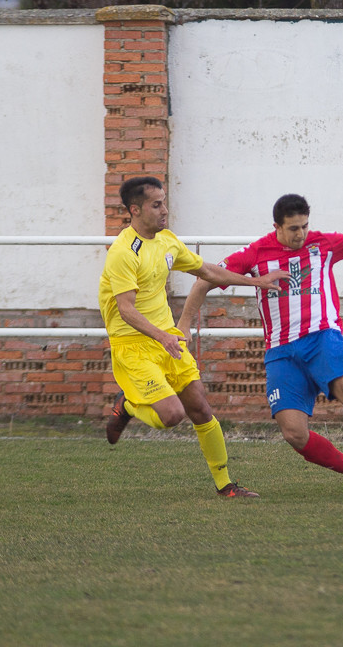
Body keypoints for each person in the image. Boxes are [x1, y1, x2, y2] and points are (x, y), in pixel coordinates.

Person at [178, 193, 343, 495]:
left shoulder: (323, 244)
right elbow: (204, 279)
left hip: (322, 338)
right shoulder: (256, 253)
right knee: (294, 433)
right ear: (277, 226)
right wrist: (184, 324)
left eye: (304, 226)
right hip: (281, 352)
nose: (300, 234)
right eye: (293, 228)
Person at [99, 176, 288, 498]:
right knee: (172, 416)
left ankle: (226, 485)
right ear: (135, 210)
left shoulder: (167, 241)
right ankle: (129, 406)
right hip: (134, 344)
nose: (165, 210)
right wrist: (163, 336)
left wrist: (257, 282)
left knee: (200, 408)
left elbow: (209, 272)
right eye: (156, 205)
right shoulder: (123, 252)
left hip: (164, 339)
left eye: (164, 202)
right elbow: (126, 310)